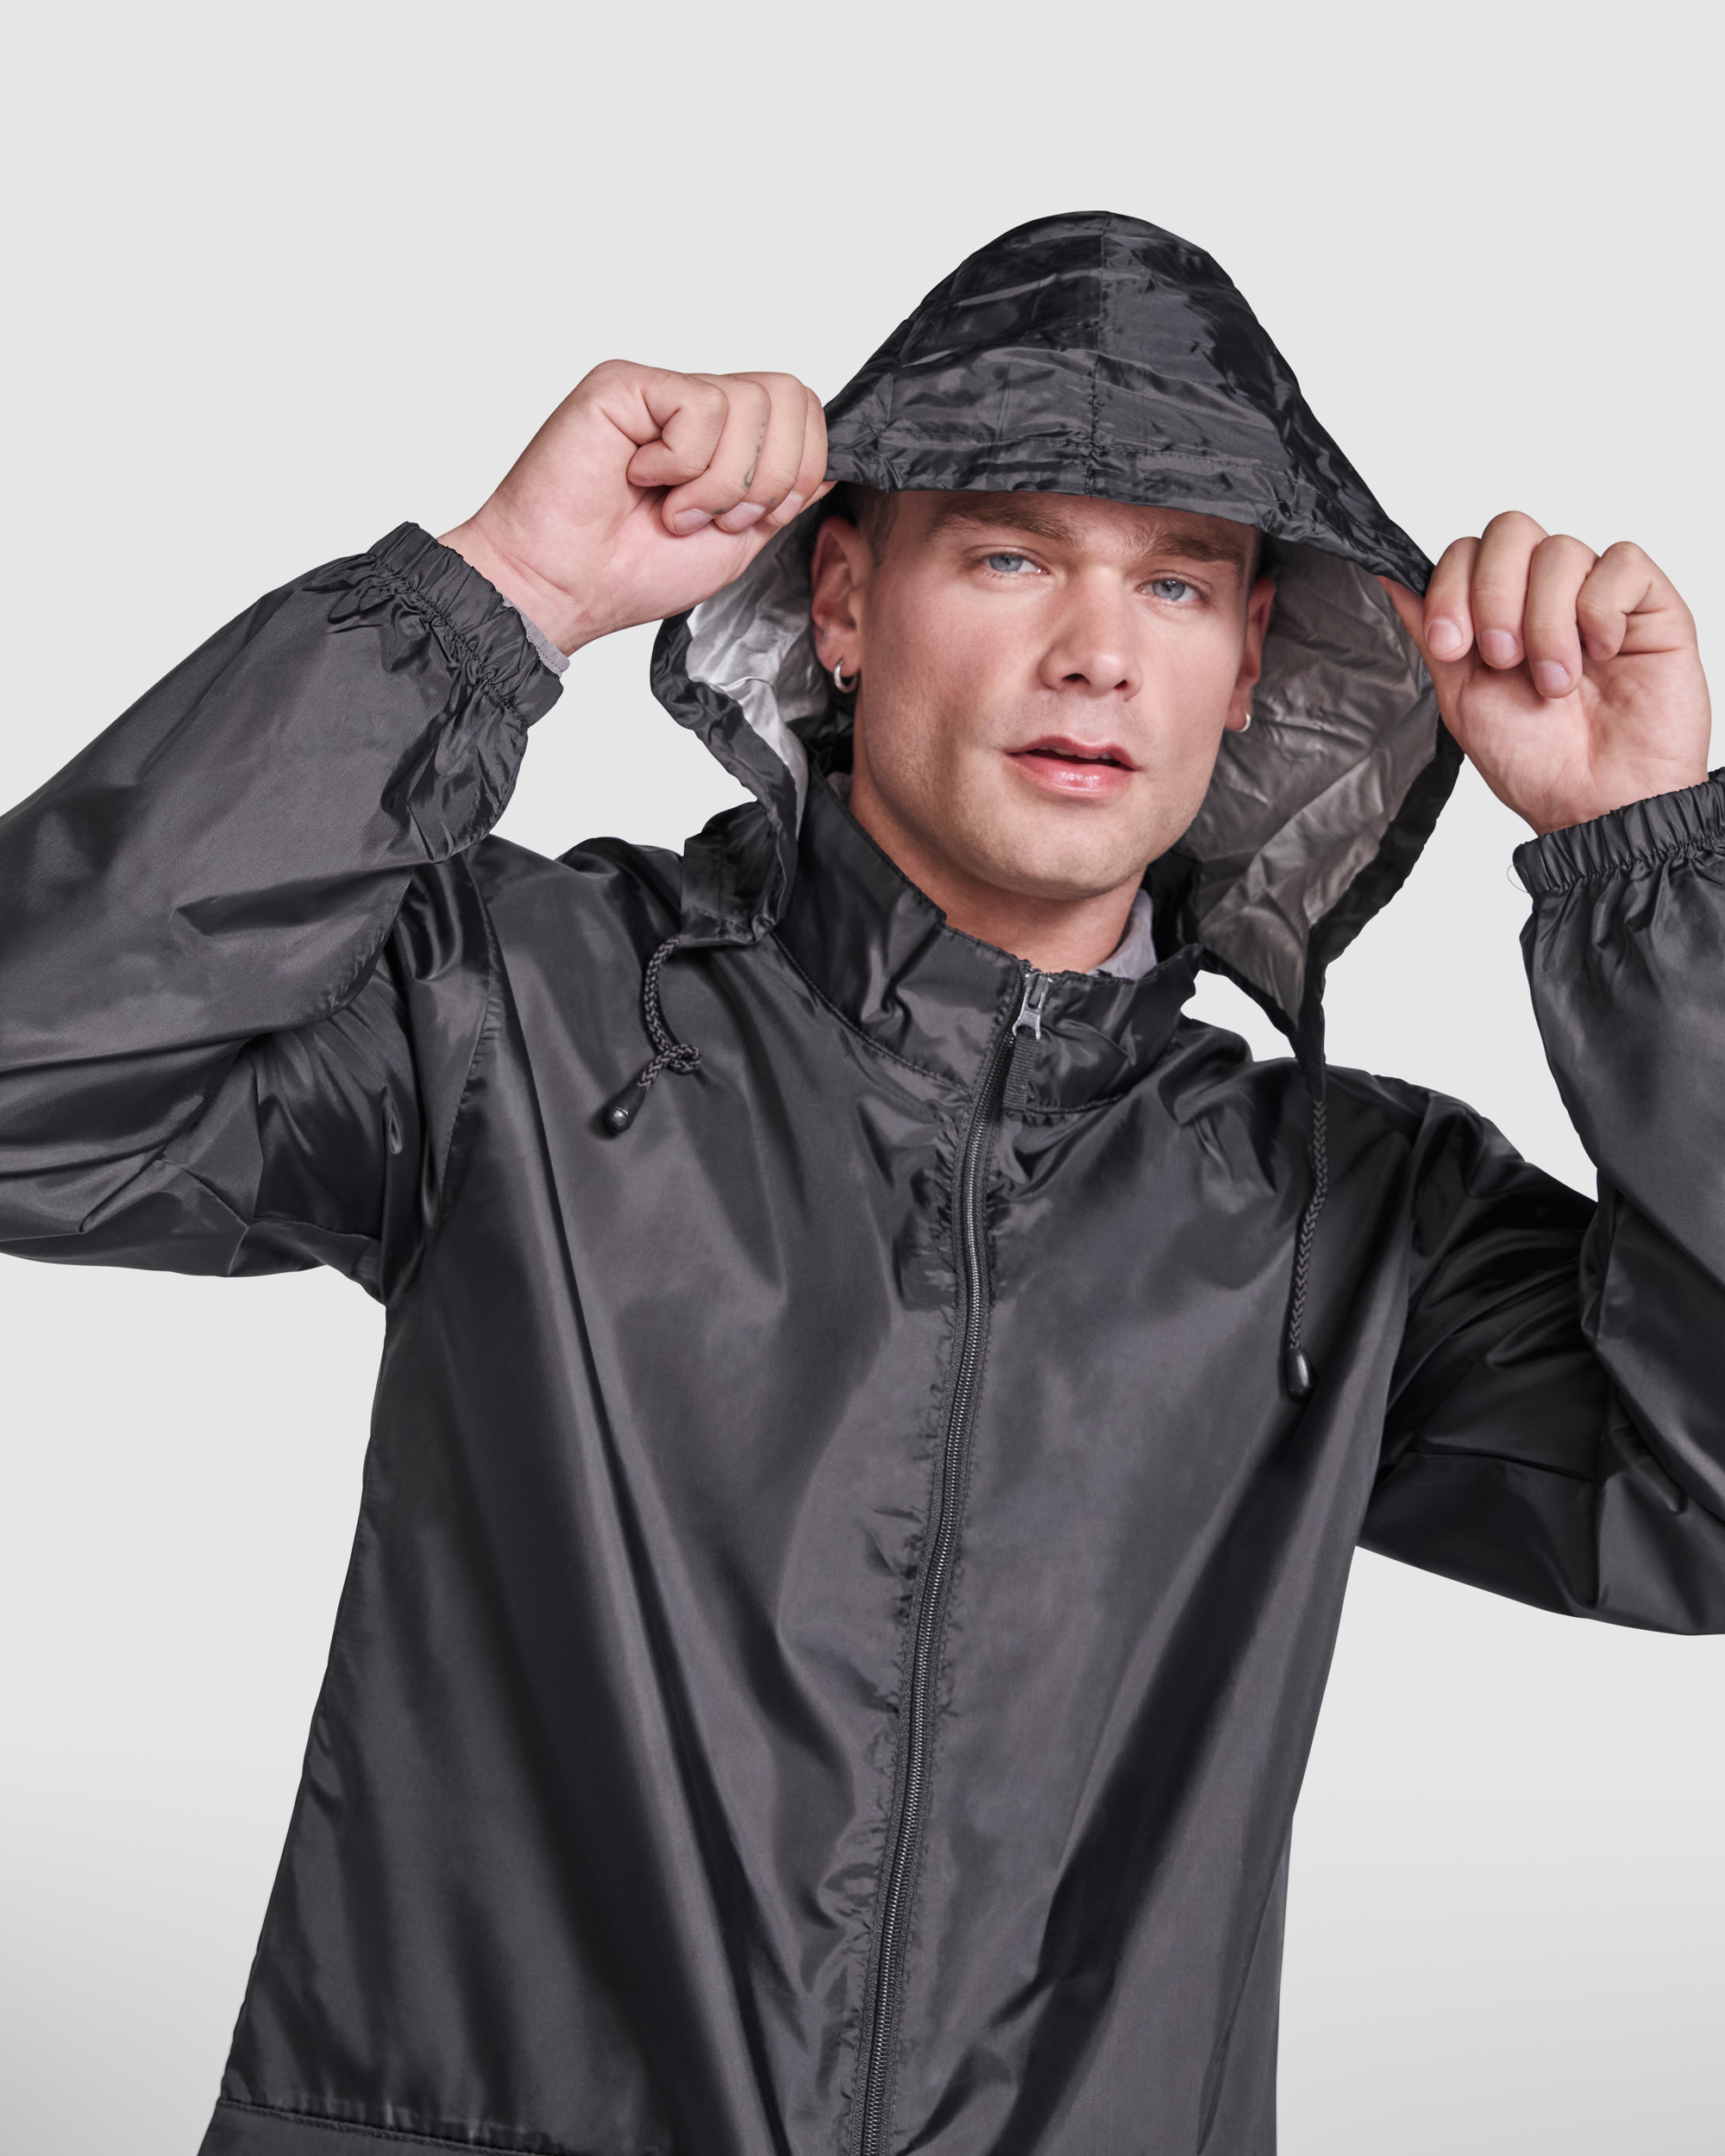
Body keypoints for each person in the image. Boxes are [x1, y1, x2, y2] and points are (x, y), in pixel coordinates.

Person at [0, 210, 1717, 2156]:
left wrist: (1646, 867)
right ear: (839, 603)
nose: (1096, 654)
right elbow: (36, 1076)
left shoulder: (1347, 1215)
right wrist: (502, 593)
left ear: (1249, 663)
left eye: (1175, 582)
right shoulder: (521, 1015)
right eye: (1008, 555)